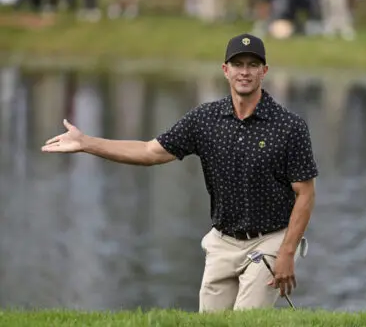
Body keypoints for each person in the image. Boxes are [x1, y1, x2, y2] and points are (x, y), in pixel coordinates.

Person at [41, 33, 318, 312]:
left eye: (252, 65)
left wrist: (287, 252)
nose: (244, 71)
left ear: (264, 71)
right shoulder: (204, 119)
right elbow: (150, 152)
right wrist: (86, 143)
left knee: (246, 319)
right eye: (238, 64)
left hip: (269, 241)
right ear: (226, 70)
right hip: (222, 242)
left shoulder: (289, 127)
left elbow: (305, 194)